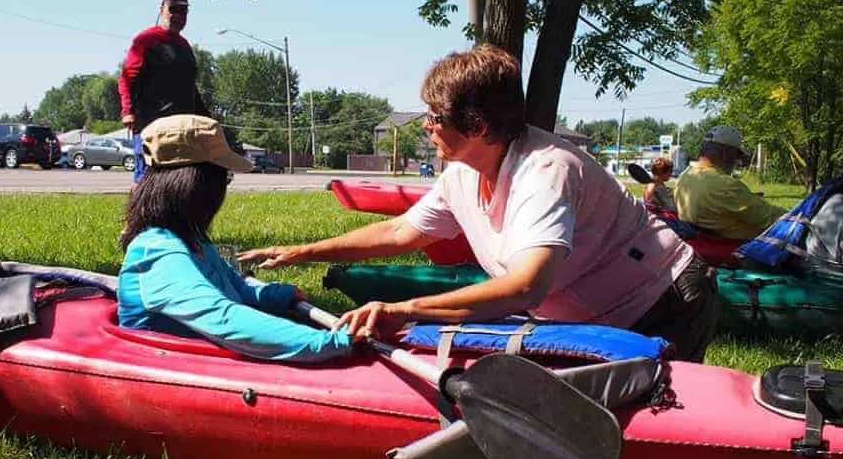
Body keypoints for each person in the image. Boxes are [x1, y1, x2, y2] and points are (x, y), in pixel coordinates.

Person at [240, 45, 719, 362]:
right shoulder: (462, 173)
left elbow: (524, 287)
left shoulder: (545, 169)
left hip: (664, 299)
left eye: (435, 116)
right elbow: (399, 233)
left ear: (478, 126)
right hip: (589, 313)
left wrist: (406, 309)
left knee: (652, 420)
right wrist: (304, 251)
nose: (426, 125)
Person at [118, 114, 353, 363]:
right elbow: (224, 318)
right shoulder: (158, 252)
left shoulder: (193, 240)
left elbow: (236, 287)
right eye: (224, 178)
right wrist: (334, 342)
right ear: (196, 186)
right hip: (171, 370)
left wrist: (279, 295)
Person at [118, 0, 210, 184]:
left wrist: (206, 118)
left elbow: (190, 87)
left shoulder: (184, 46)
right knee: (147, 179)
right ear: (161, 9)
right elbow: (127, 78)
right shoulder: (146, 40)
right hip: (151, 123)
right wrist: (128, 111)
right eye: (173, 9)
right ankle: (138, 215)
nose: (178, 16)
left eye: (183, 11)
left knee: (176, 180)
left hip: (181, 126)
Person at [674, 125, 783, 239]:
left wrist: (747, 197)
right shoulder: (726, 186)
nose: (737, 161)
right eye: (736, 155)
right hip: (742, 249)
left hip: (702, 245)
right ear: (725, 153)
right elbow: (771, 218)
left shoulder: (684, 177)